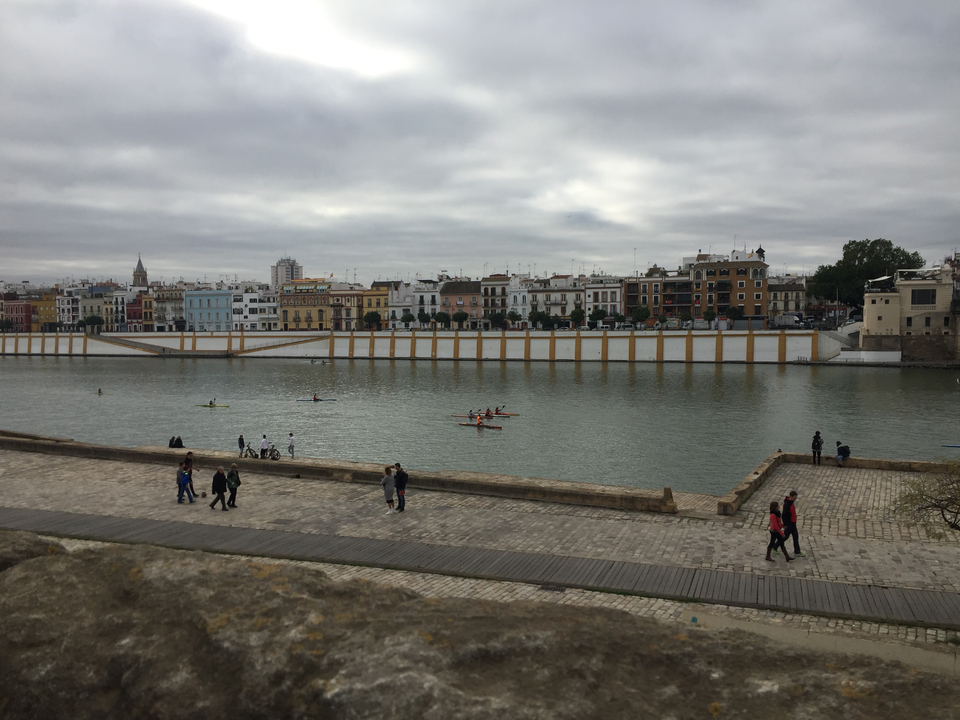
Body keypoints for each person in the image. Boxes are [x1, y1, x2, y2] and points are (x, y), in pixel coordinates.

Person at [782, 491, 803, 556]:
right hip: (790, 523)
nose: (795, 499)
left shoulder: (790, 503)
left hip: (793, 523)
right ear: (790, 496)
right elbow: (784, 515)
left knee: (795, 537)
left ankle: (797, 551)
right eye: (794, 497)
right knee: (786, 536)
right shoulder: (788, 504)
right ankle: (774, 546)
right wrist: (785, 524)